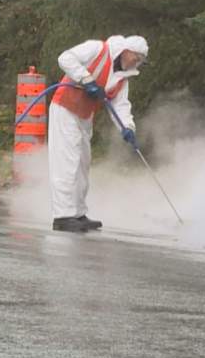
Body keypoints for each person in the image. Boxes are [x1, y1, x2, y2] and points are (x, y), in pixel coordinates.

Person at [48, 34, 148, 233]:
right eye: (136, 59)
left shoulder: (123, 78)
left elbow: (120, 105)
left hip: (85, 116)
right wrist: (86, 79)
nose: (136, 64)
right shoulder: (98, 49)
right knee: (67, 162)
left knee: (83, 164)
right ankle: (63, 216)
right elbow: (65, 58)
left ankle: (78, 213)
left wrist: (128, 128)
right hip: (65, 109)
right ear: (127, 52)